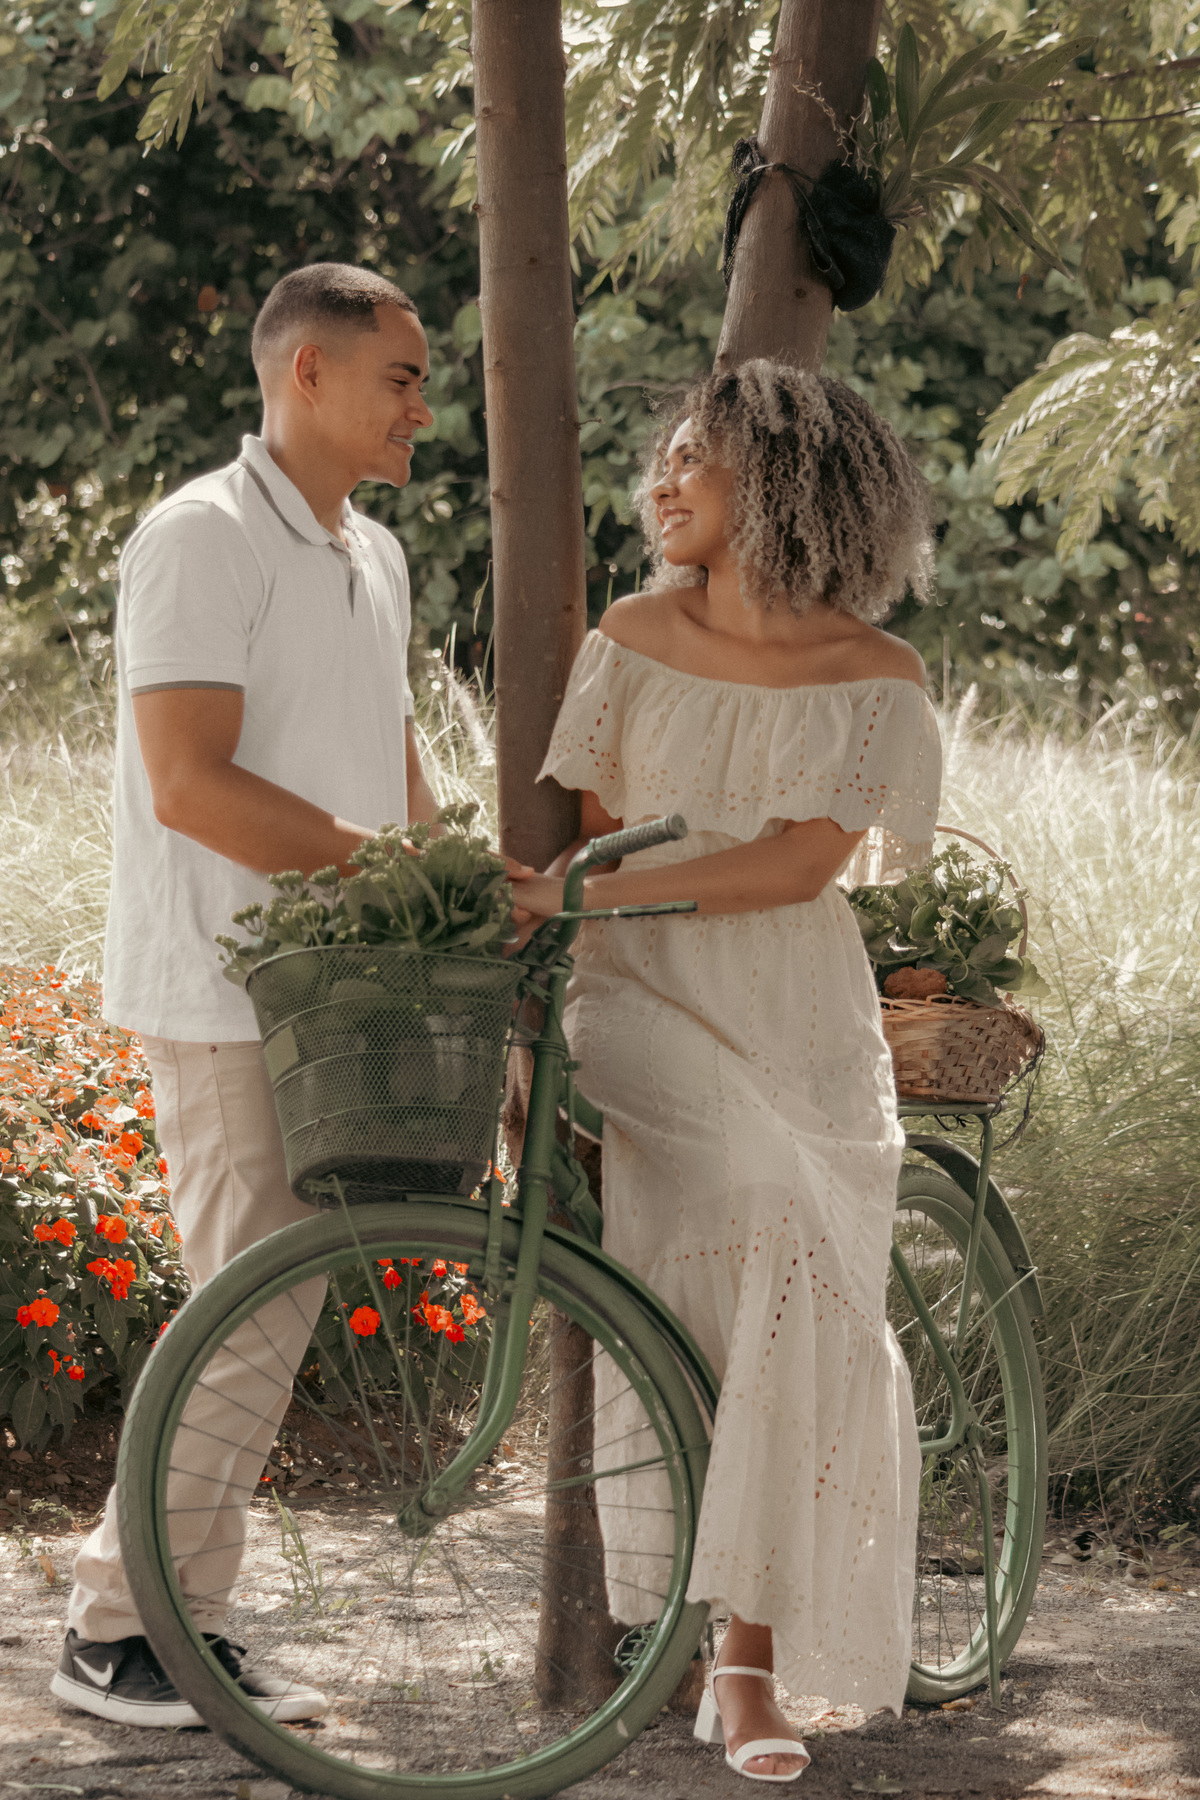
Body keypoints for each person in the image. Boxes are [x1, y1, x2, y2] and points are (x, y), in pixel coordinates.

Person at [512, 360, 942, 1782]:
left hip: (808, 1022)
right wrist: (584, 900)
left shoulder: (879, 677)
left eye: (696, 457)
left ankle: (743, 1664)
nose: (664, 480)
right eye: (668, 457)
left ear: (783, 480)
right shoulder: (631, 637)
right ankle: (727, 1657)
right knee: (767, 1212)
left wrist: (580, 890)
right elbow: (604, 828)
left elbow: (799, 866)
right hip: (638, 1000)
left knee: (796, 1270)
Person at [52, 262, 447, 1729]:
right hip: (228, 988)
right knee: (247, 1309)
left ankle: (170, 1617)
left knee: (266, 1310)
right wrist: (391, 873)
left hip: (344, 994)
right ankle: (117, 1632)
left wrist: (452, 877)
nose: (422, 410)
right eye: (402, 378)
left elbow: (388, 753)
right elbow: (190, 783)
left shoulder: (373, 552)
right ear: (308, 374)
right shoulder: (200, 538)